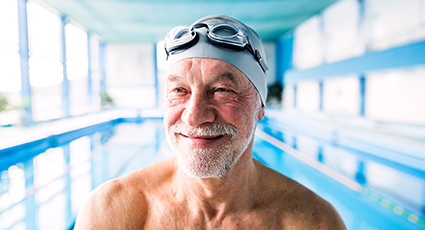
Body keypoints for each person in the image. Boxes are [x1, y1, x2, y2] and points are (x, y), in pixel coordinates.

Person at [74, 15, 346, 229]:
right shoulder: (111, 212)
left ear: (261, 105)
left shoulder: (314, 222)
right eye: (179, 91)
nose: (194, 115)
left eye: (222, 90)